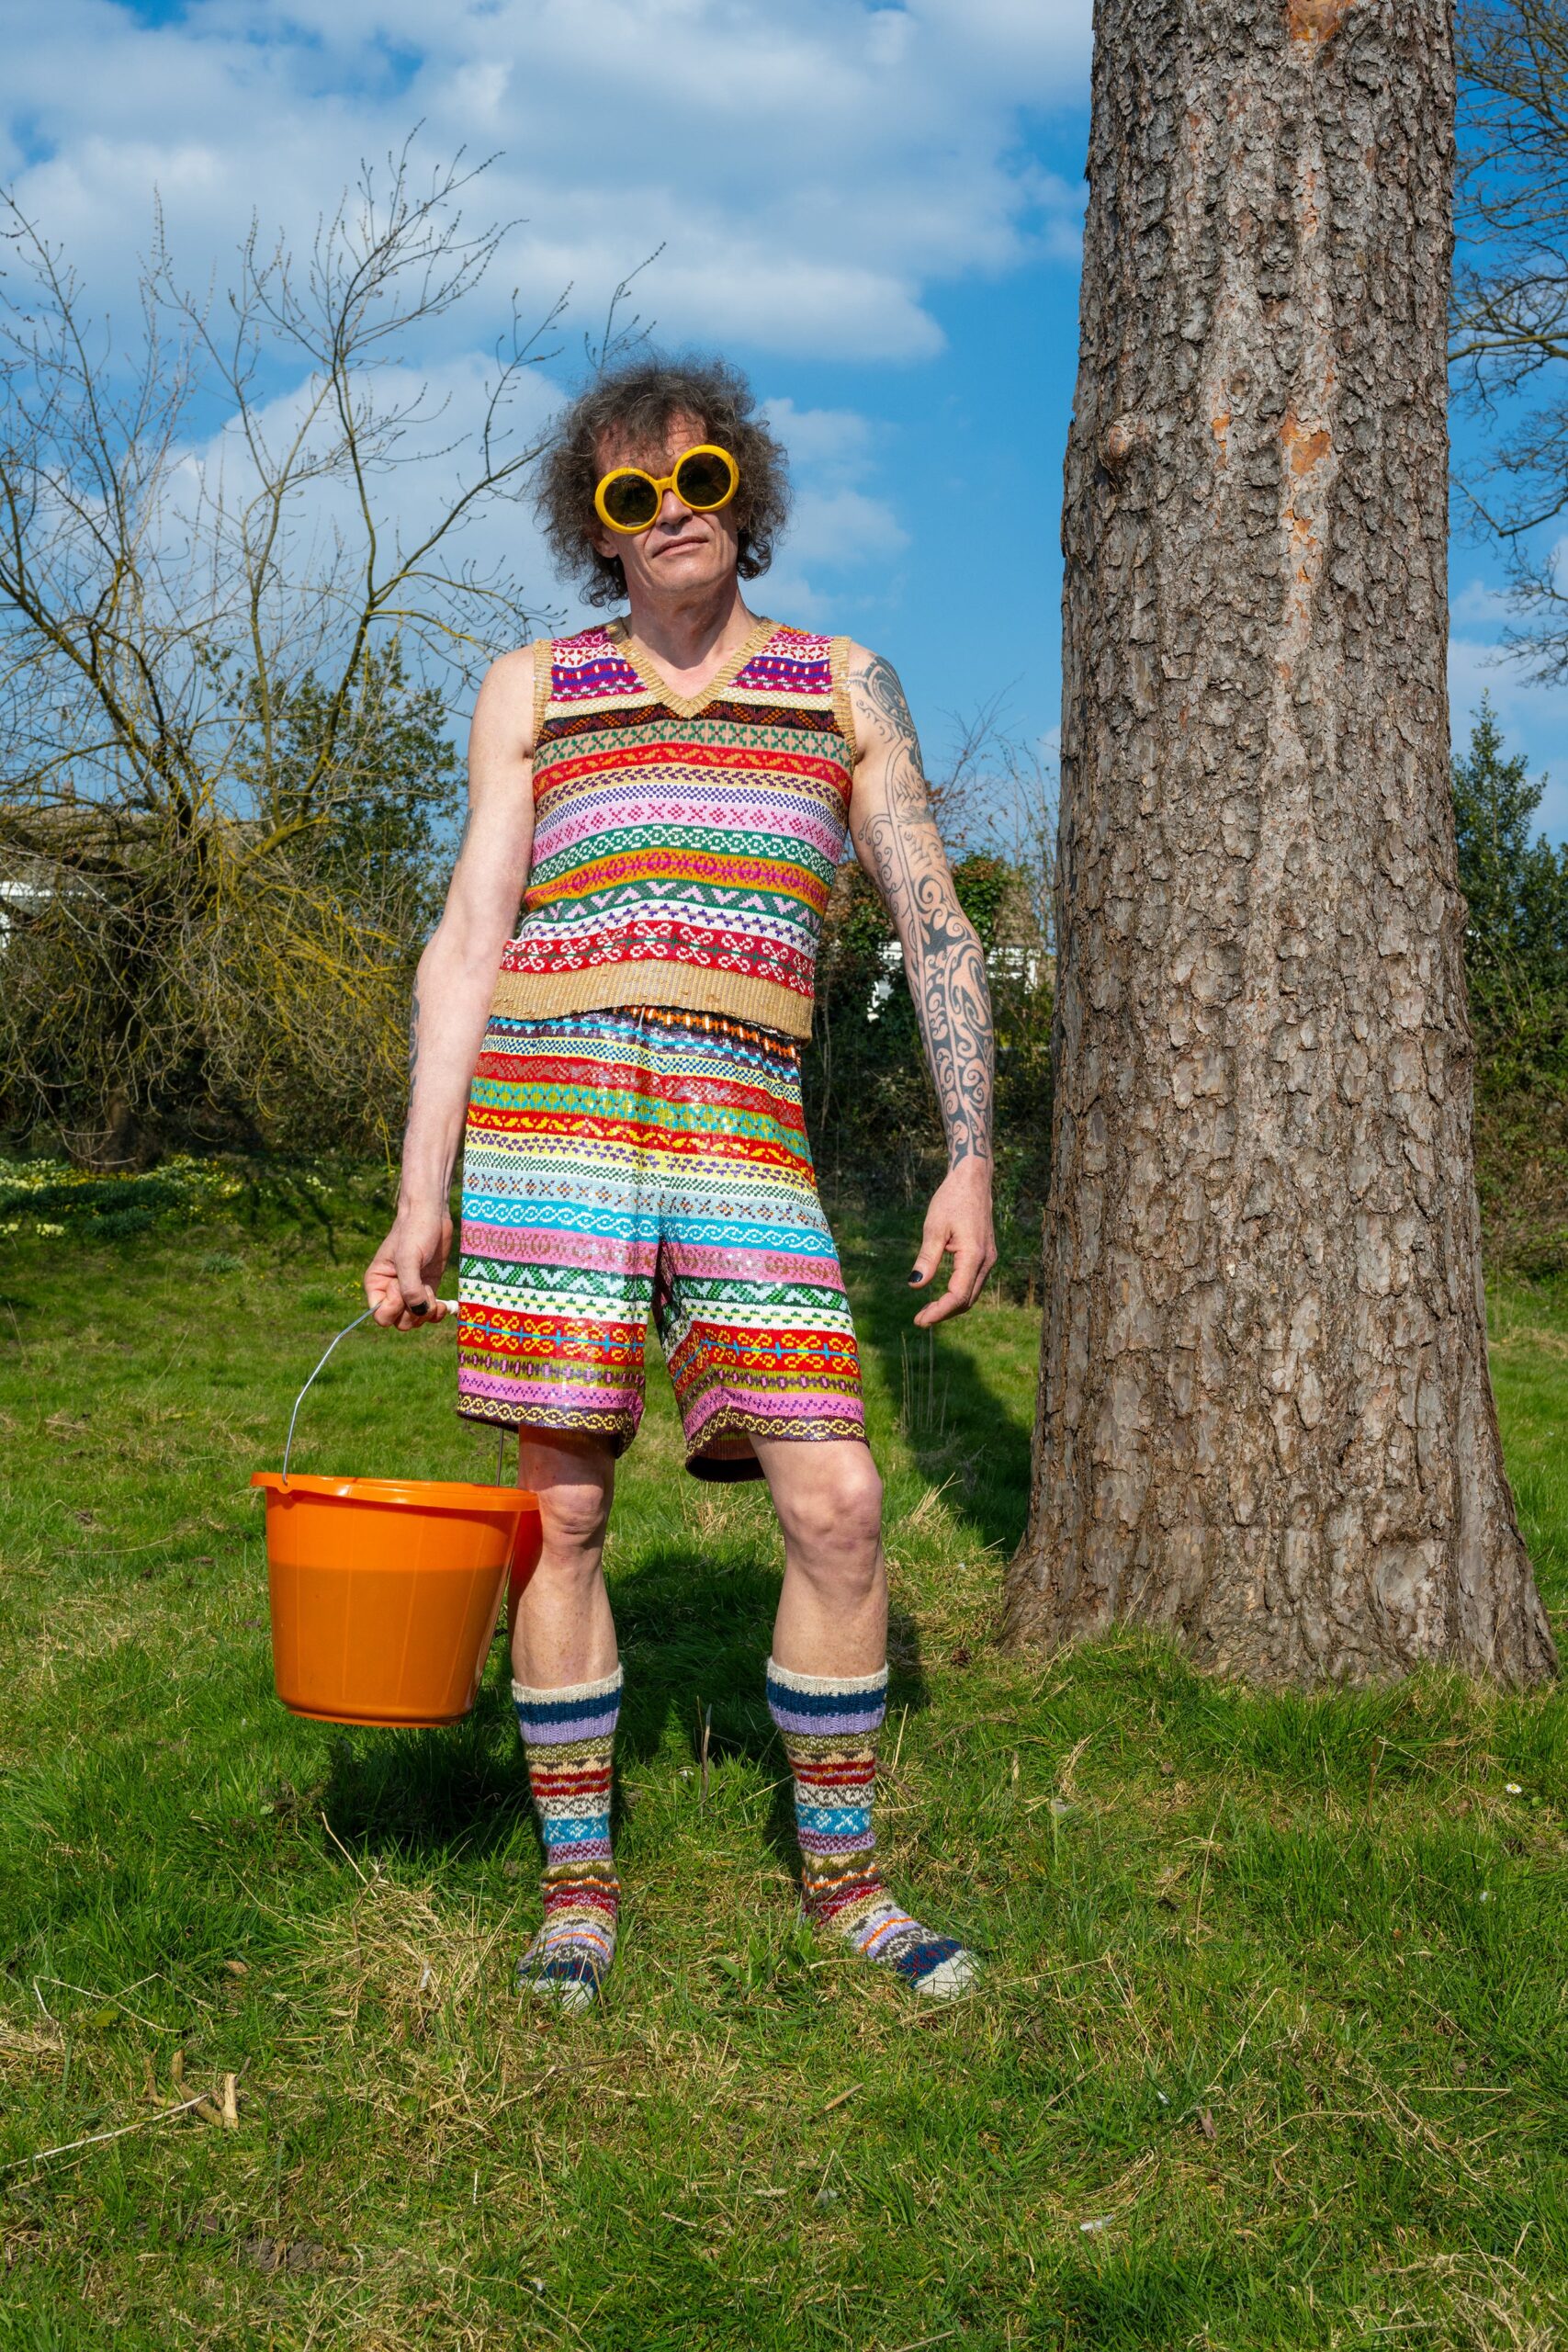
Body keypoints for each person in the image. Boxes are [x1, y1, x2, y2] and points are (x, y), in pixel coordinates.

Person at [365, 356, 996, 2012]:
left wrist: (971, 1155)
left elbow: (936, 927)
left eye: (697, 482)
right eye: (631, 496)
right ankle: (577, 1896)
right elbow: (467, 938)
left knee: (839, 1500)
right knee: (565, 1511)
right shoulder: (532, 688)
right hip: (550, 1117)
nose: (669, 516)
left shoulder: (843, 684)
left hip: (743, 1126)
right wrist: (423, 1192)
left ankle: (847, 1886)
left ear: (744, 494)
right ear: (599, 528)